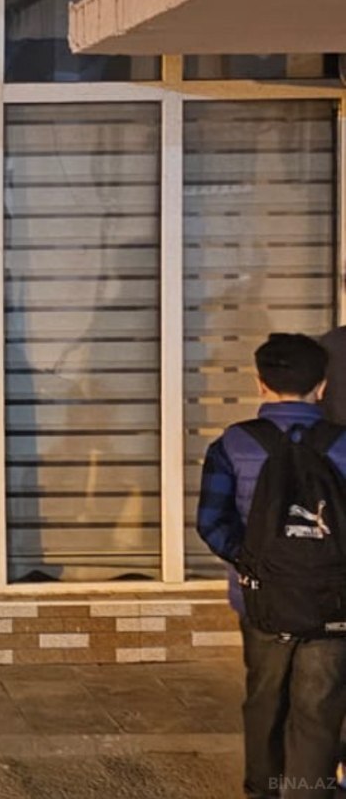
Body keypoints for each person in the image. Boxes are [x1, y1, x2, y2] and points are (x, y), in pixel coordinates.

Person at [196, 332, 346, 799]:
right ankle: (306, 791)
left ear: (260, 383)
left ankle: (264, 789)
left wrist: (252, 563)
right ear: (322, 386)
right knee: (318, 707)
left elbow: (211, 522)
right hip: (333, 601)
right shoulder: (343, 444)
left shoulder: (234, 443)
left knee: (264, 699)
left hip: (259, 598)